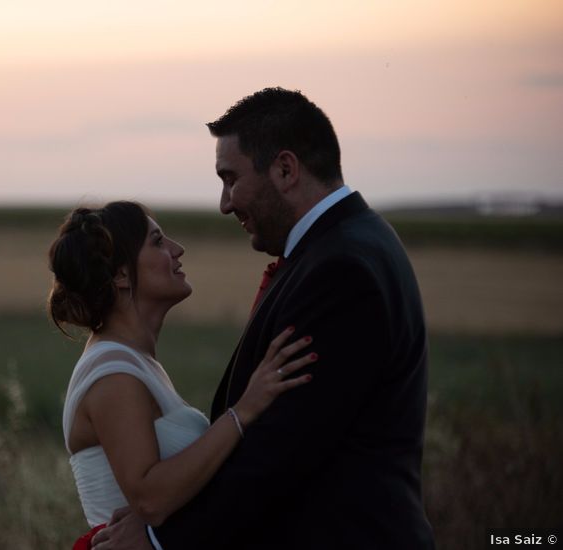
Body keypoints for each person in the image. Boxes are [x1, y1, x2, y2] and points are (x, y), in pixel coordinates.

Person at [91, 88, 435, 549]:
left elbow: (285, 450)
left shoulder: (341, 270)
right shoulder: (353, 243)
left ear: (286, 169)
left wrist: (160, 539)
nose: (225, 203)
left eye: (230, 179)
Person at [48, 201, 317, 547]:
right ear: (121, 275)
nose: (178, 249)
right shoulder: (112, 374)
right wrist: (243, 411)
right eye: (158, 242)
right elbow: (149, 498)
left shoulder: (135, 362)